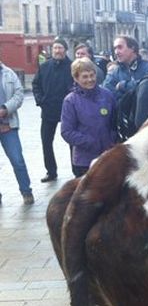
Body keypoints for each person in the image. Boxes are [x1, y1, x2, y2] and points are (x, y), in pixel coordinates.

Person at [60, 58, 117, 177]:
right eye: (85, 77)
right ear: (76, 78)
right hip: (84, 161)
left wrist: (111, 141)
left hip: (107, 157)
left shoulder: (107, 95)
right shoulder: (70, 101)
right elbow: (67, 132)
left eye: (92, 75)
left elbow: (114, 123)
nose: (90, 80)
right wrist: (90, 142)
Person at [32, 37, 73, 183]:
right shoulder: (45, 66)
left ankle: (76, 170)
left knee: (72, 142)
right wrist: (40, 100)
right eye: (55, 48)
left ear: (65, 50)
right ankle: (51, 171)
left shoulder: (72, 66)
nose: (57, 50)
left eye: (60, 48)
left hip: (68, 111)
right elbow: (36, 85)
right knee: (46, 141)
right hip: (48, 110)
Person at [0, 58, 34, 204]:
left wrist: (5, 109)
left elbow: (19, 94)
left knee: (17, 160)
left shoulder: (9, 74)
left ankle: (26, 191)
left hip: (8, 125)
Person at [103, 35, 148, 101]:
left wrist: (123, 86)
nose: (116, 52)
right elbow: (107, 95)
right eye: (115, 48)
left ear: (132, 48)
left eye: (120, 47)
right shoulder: (114, 73)